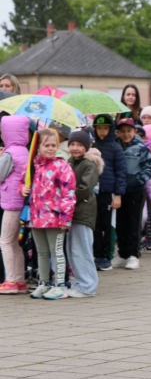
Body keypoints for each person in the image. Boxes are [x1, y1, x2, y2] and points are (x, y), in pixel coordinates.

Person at [21, 129, 76, 300]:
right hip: (36, 218)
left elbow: (69, 194)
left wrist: (65, 218)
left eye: (54, 145)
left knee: (56, 251)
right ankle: (44, 283)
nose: (51, 148)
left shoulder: (62, 166)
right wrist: (22, 189)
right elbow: (22, 182)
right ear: (38, 147)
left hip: (55, 219)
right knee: (42, 252)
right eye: (47, 145)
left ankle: (60, 285)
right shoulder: (32, 166)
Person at [112, 118, 151, 270]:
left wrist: (137, 180)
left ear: (135, 131)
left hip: (135, 191)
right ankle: (122, 254)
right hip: (119, 191)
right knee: (120, 223)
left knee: (133, 223)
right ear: (118, 132)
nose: (126, 134)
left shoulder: (141, 148)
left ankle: (133, 255)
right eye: (122, 131)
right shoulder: (115, 146)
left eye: (129, 131)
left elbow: (150, 167)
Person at [66, 130, 104, 297]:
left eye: (79, 145)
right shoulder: (70, 162)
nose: (75, 148)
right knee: (73, 250)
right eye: (72, 144)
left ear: (87, 147)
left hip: (83, 212)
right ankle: (80, 282)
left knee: (82, 249)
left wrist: (66, 197)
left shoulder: (89, 165)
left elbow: (84, 188)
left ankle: (87, 286)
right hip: (72, 212)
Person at [91, 114, 127, 271]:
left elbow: (121, 173)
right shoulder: (92, 147)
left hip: (109, 193)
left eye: (105, 128)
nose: (102, 131)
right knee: (96, 225)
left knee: (108, 226)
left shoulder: (115, 148)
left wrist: (118, 195)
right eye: (99, 128)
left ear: (111, 129)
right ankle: (97, 255)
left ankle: (107, 256)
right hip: (94, 193)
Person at [0, 116, 30, 294]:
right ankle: (19, 279)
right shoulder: (25, 151)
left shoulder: (9, 154)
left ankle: (10, 280)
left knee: (4, 241)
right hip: (21, 202)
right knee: (15, 243)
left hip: (11, 203)